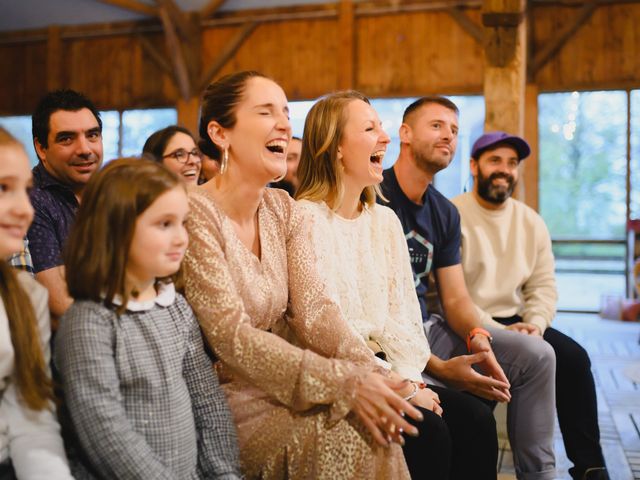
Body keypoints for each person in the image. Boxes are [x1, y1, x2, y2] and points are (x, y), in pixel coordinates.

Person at [182, 71, 422, 479]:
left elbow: (316, 312)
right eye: (265, 111)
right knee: (361, 435)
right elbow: (232, 338)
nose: (283, 124)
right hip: (224, 399)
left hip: (292, 386)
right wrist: (344, 382)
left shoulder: (282, 208)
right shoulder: (192, 212)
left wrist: (383, 376)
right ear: (220, 133)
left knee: (381, 427)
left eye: (286, 113)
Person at [296, 90, 502, 480]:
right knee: (429, 431)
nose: (385, 138)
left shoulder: (385, 221)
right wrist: (403, 389)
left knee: (477, 421)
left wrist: (412, 379)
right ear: (335, 147)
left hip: (397, 367)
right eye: (371, 128)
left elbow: (404, 316)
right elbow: (321, 333)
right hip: (341, 374)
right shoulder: (303, 220)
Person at [381, 96, 558, 480]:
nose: (448, 136)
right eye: (437, 125)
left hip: (425, 328)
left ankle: (541, 474)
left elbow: (457, 299)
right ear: (405, 134)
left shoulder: (445, 212)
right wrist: (439, 366)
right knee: (474, 421)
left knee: (539, 354)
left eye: (455, 130)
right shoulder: (375, 194)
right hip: (386, 335)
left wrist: (478, 335)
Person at [54, 158, 242, 479]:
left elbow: (207, 399)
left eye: (183, 222)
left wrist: (224, 473)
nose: (182, 238)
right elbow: (106, 432)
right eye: (164, 224)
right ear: (115, 228)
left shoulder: (175, 306)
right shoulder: (90, 322)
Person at [453, 131, 608, 480]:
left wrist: (535, 325)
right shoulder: (453, 214)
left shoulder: (530, 221)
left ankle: (591, 468)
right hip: (469, 322)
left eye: (512, 163)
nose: (504, 170)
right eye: (495, 161)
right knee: (479, 397)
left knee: (574, 358)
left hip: (521, 320)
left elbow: (543, 286)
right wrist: (500, 331)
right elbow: (451, 294)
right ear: (474, 165)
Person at [0, 127, 72, 479]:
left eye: (26, 192)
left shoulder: (25, 296)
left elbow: (32, 419)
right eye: (3, 189)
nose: (23, 210)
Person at [27, 88, 104, 320]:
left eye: (92, 135)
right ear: (41, 148)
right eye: (67, 139)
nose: (85, 150)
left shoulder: (110, 193)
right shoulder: (31, 200)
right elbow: (61, 303)